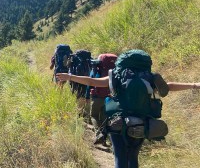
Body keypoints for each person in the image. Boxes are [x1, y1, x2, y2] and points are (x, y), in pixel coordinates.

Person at [56, 65, 200, 168]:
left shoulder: (117, 76)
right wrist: (194, 84)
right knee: (133, 156)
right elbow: (169, 86)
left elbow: (92, 82)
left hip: (117, 123)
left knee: (119, 156)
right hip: (142, 122)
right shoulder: (148, 78)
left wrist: (70, 77)